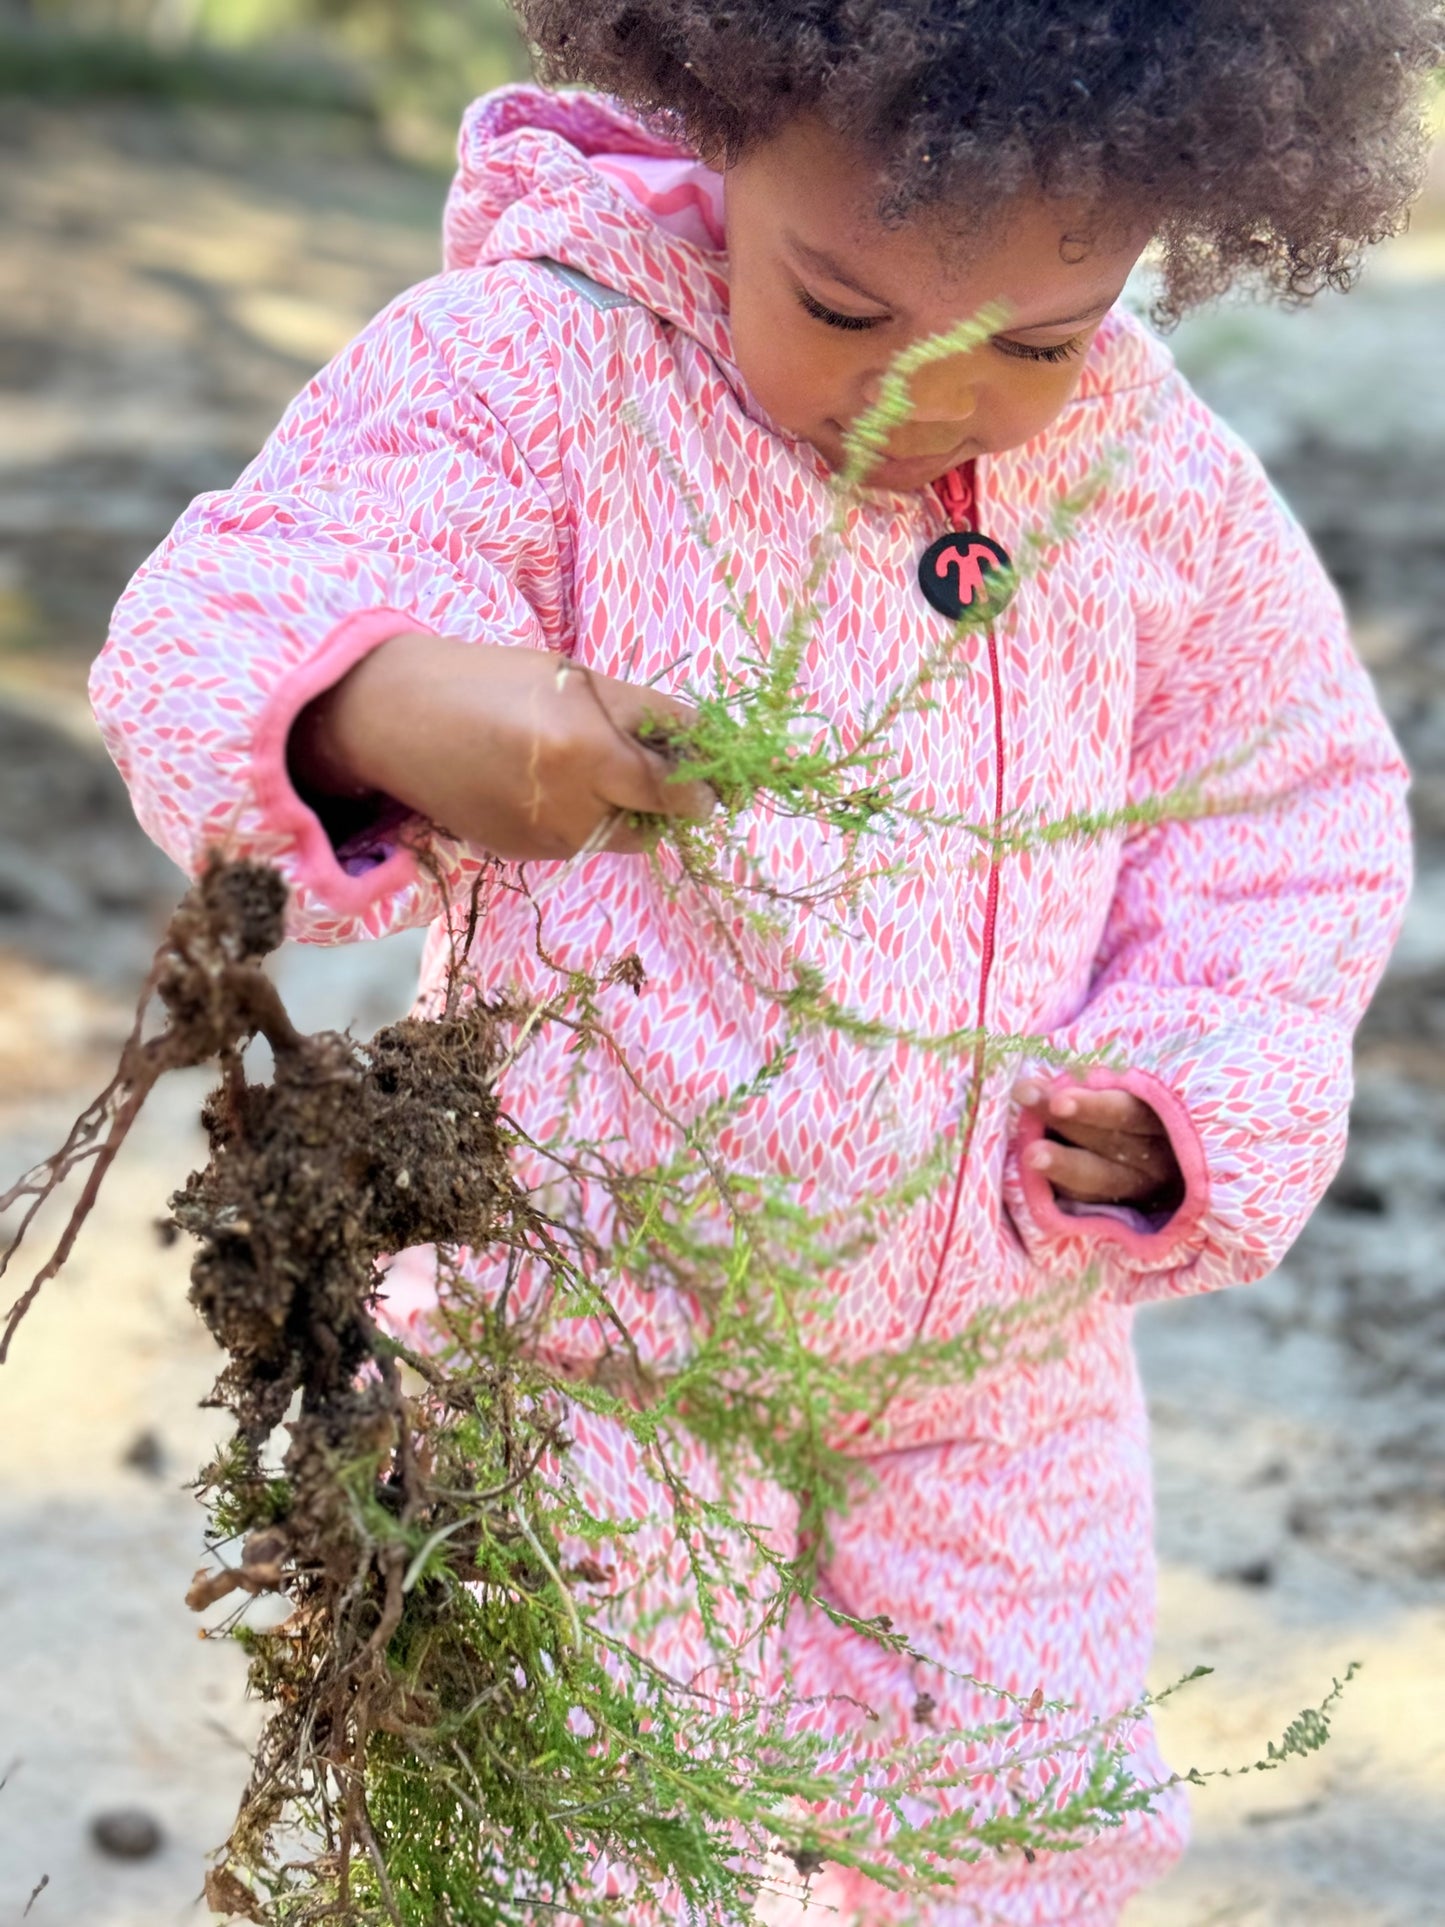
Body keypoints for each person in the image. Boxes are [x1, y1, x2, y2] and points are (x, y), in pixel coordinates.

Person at [92, 3, 1438, 1920]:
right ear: (722, 131)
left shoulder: (1149, 472)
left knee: (1023, 1841)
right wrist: (377, 702)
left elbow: (1282, 801)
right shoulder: (537, 370)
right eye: (844, 309)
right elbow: (207, 629)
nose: (925, 406)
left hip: (996, 1374)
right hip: (587, 1353)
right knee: (597, 1853)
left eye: (1034, 346)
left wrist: (1190, 1079)